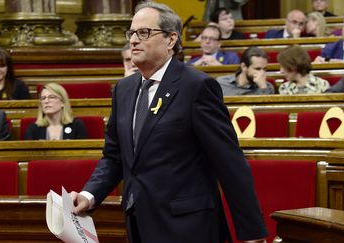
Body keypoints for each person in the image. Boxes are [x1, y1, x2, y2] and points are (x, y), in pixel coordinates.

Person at [71, 2, 267, 243]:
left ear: (171, 39)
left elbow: (229, 162)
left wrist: (252, 233)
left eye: (143, 33)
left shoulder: (197, 87)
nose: (133, 40)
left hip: (188, 228)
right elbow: (114, 156)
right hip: (139, 224)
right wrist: (89, 195)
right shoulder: (124, 89)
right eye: (131, 33)